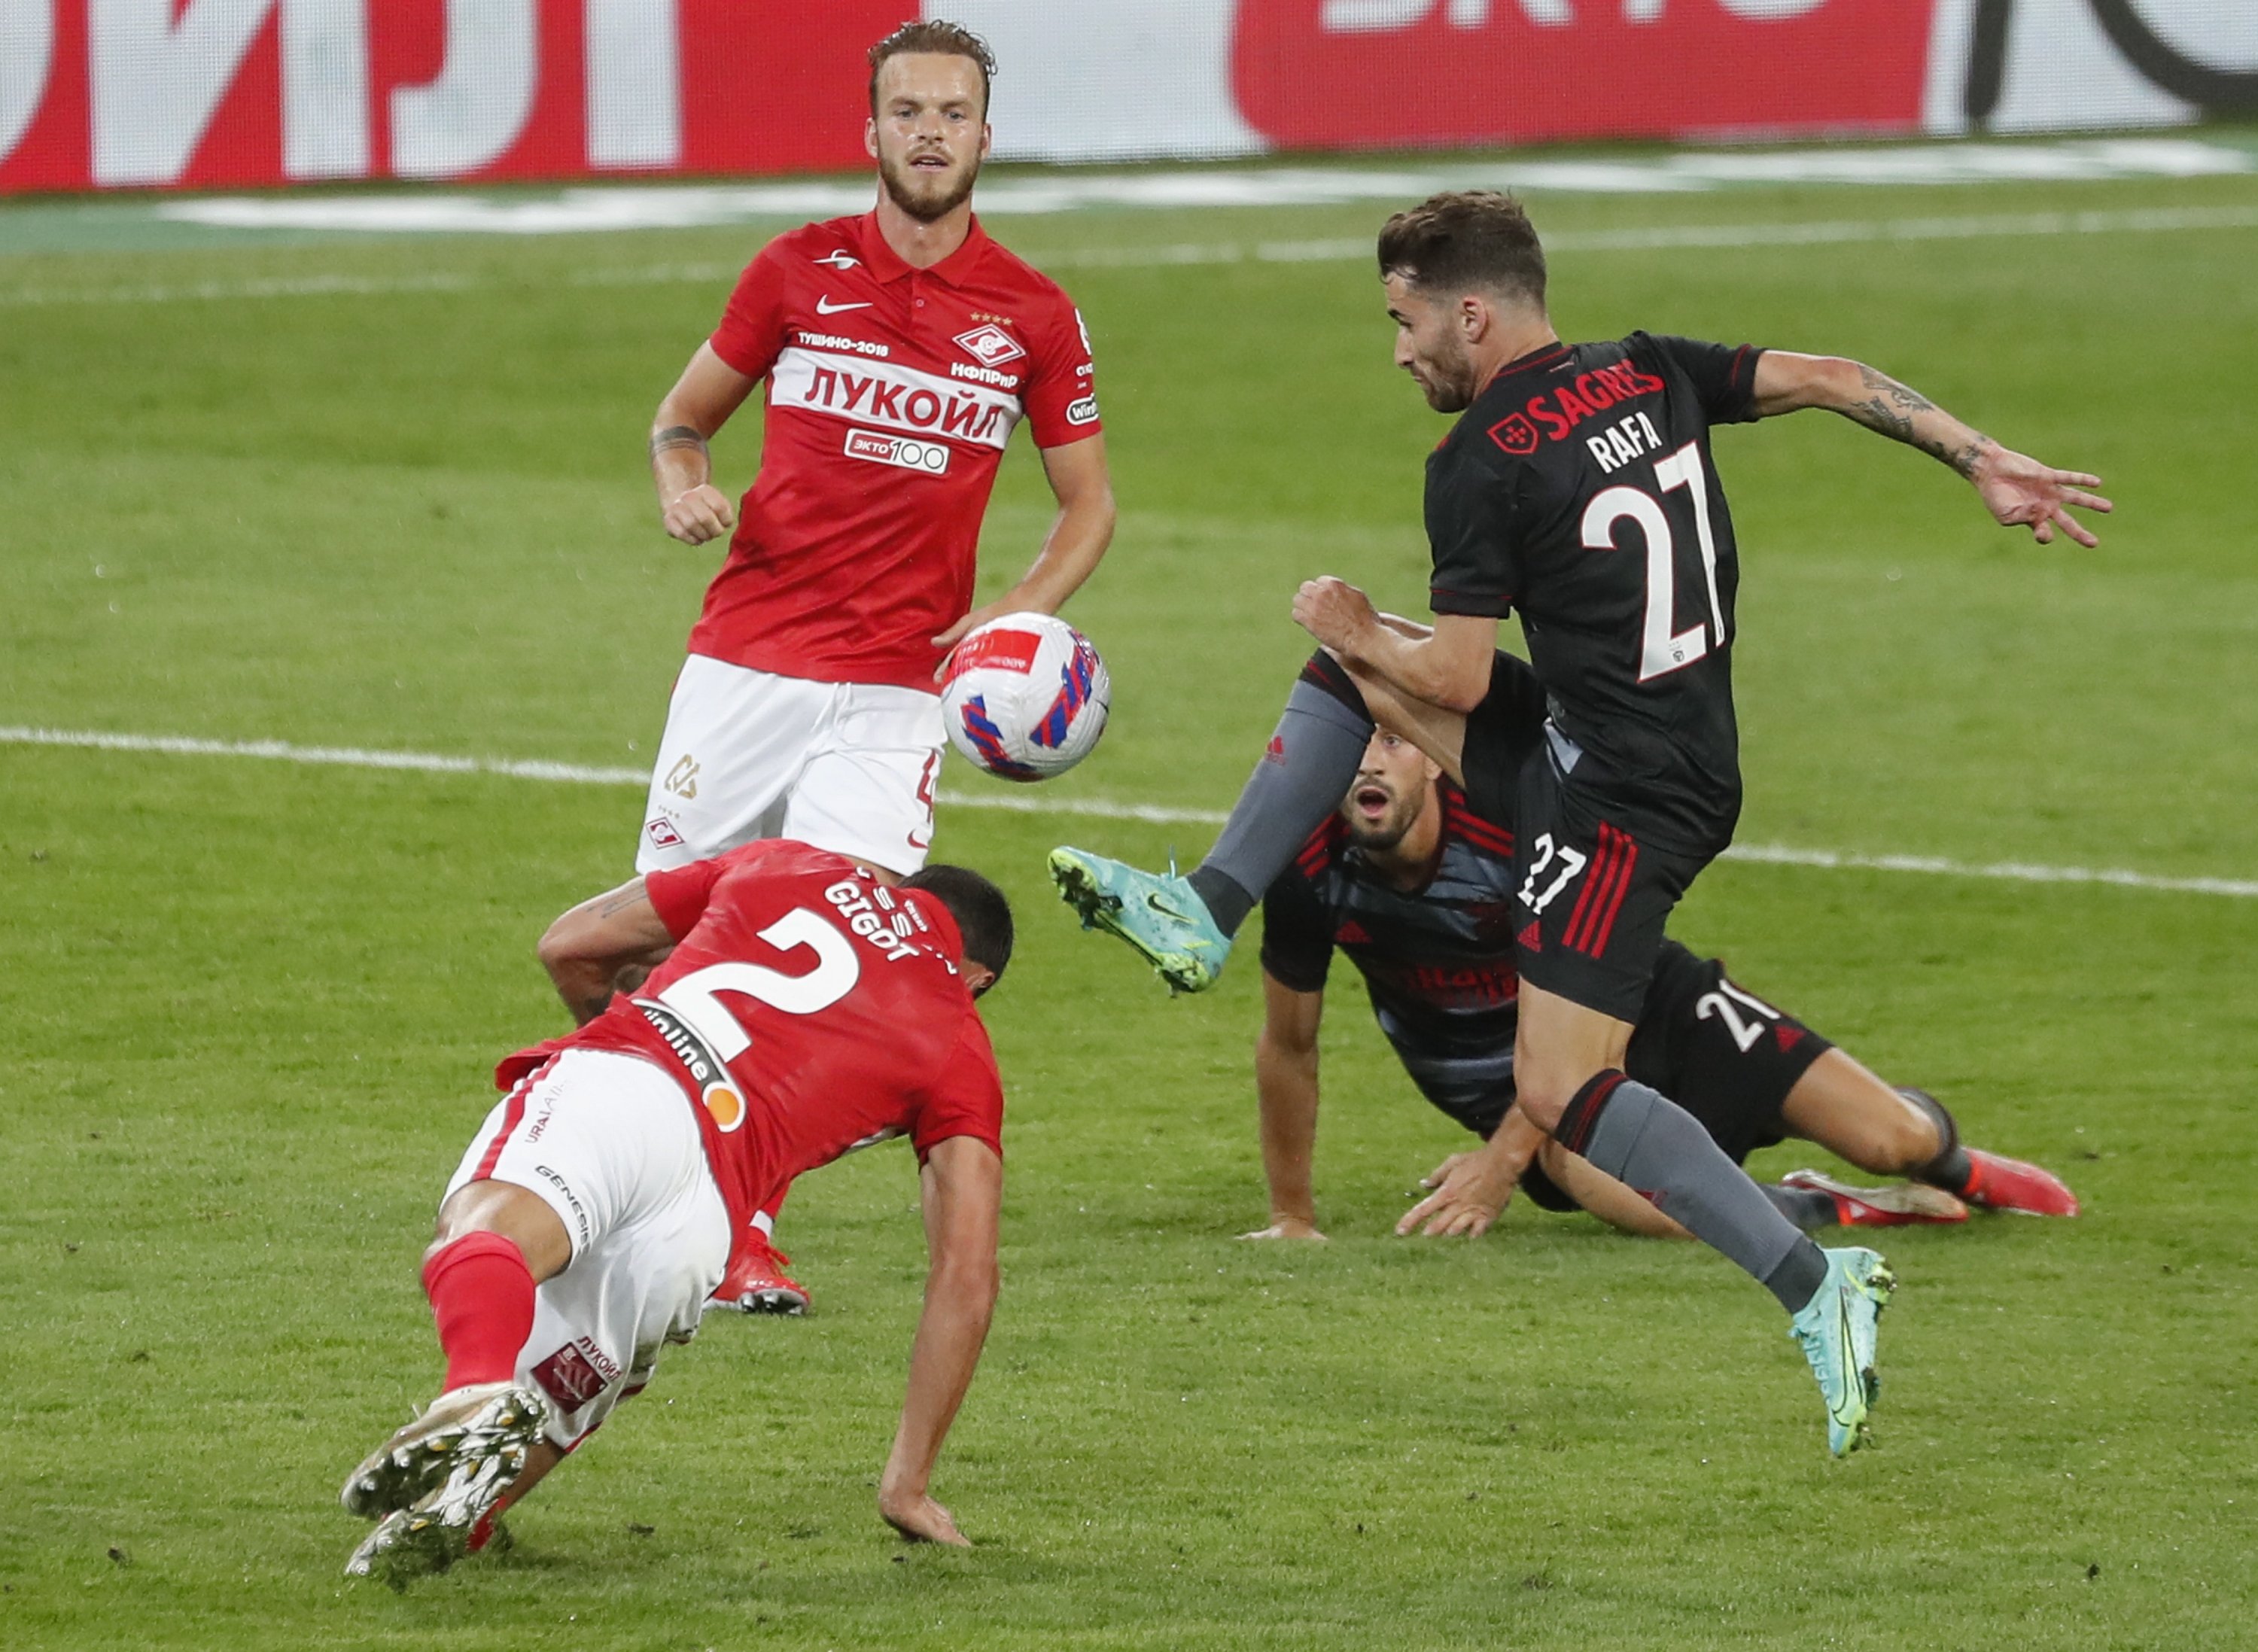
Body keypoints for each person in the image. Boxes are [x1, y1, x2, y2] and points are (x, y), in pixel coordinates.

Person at [1051, 190, 2109, 1454]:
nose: (1400, 353)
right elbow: (1830, 375)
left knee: (1558, 1080)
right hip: (1627, 737)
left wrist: (1346, 619)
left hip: (1618, 794)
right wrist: (1976, 454)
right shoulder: (1648, 370)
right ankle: (1205, 909)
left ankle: (1821, 1282)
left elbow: (1445, 679)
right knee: (1352, 672)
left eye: (1404, 323)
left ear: (1474, 313)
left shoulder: (1480, 461)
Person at [636, 20, 1113, 1311]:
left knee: (829, 972)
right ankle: (625, 1181)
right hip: (748, 661)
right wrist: (688, 484)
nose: (928, 133)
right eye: (907, 110)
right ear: (872, 130)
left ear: (984, 138)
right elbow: (683, 418)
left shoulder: (1032, 314)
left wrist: (1012, 620)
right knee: (669, 952)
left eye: (952, 113)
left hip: (899, 694)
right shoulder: (793, 272)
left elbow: (1089, 509)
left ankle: (744, 1231)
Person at [339, 841, 1015, 1581]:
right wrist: (906, 1484)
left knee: (492, 1229)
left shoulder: (790, 864)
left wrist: (620, 1043)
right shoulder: (959, 1037)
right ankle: (455, 1512)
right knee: (562, 1383)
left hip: (642, 1075)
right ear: (978, 975)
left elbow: (571, 946)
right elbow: (965, 1275)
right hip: (705, 1220)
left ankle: (472, 1389)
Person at [1249, 711, 2080, 1244]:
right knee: (1656, 1207)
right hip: (1535, 1092)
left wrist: (1499, 1168)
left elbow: (1587, 974)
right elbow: (1290, 1046)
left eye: (1391, 737)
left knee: (1895, 1139)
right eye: (1349, 745)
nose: (1368, 762)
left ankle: (1953, 1164)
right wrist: (1294, 1217)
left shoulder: (1510, 823)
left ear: (1431, 759)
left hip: (1650, 1004)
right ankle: (1840, 1204)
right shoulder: (1311, 868)